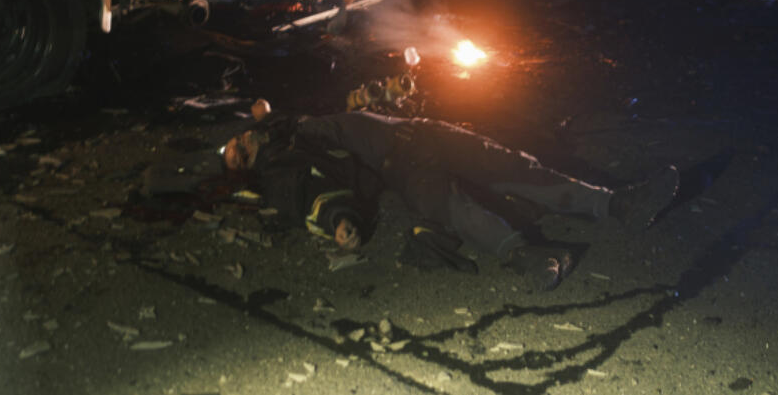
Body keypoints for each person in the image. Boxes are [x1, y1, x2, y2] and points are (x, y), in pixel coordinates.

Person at [222, 110, 679, 293]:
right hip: (402, 166)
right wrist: (340, 220)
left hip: (423, 131)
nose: (243, 140)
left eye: (239, 138)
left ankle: (616, 204)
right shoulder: (280, 167)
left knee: (515, 167)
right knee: (452, 207)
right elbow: (307, 197)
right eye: (238, 151)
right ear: (247, 165)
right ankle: (528, 257)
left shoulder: (293, 129)